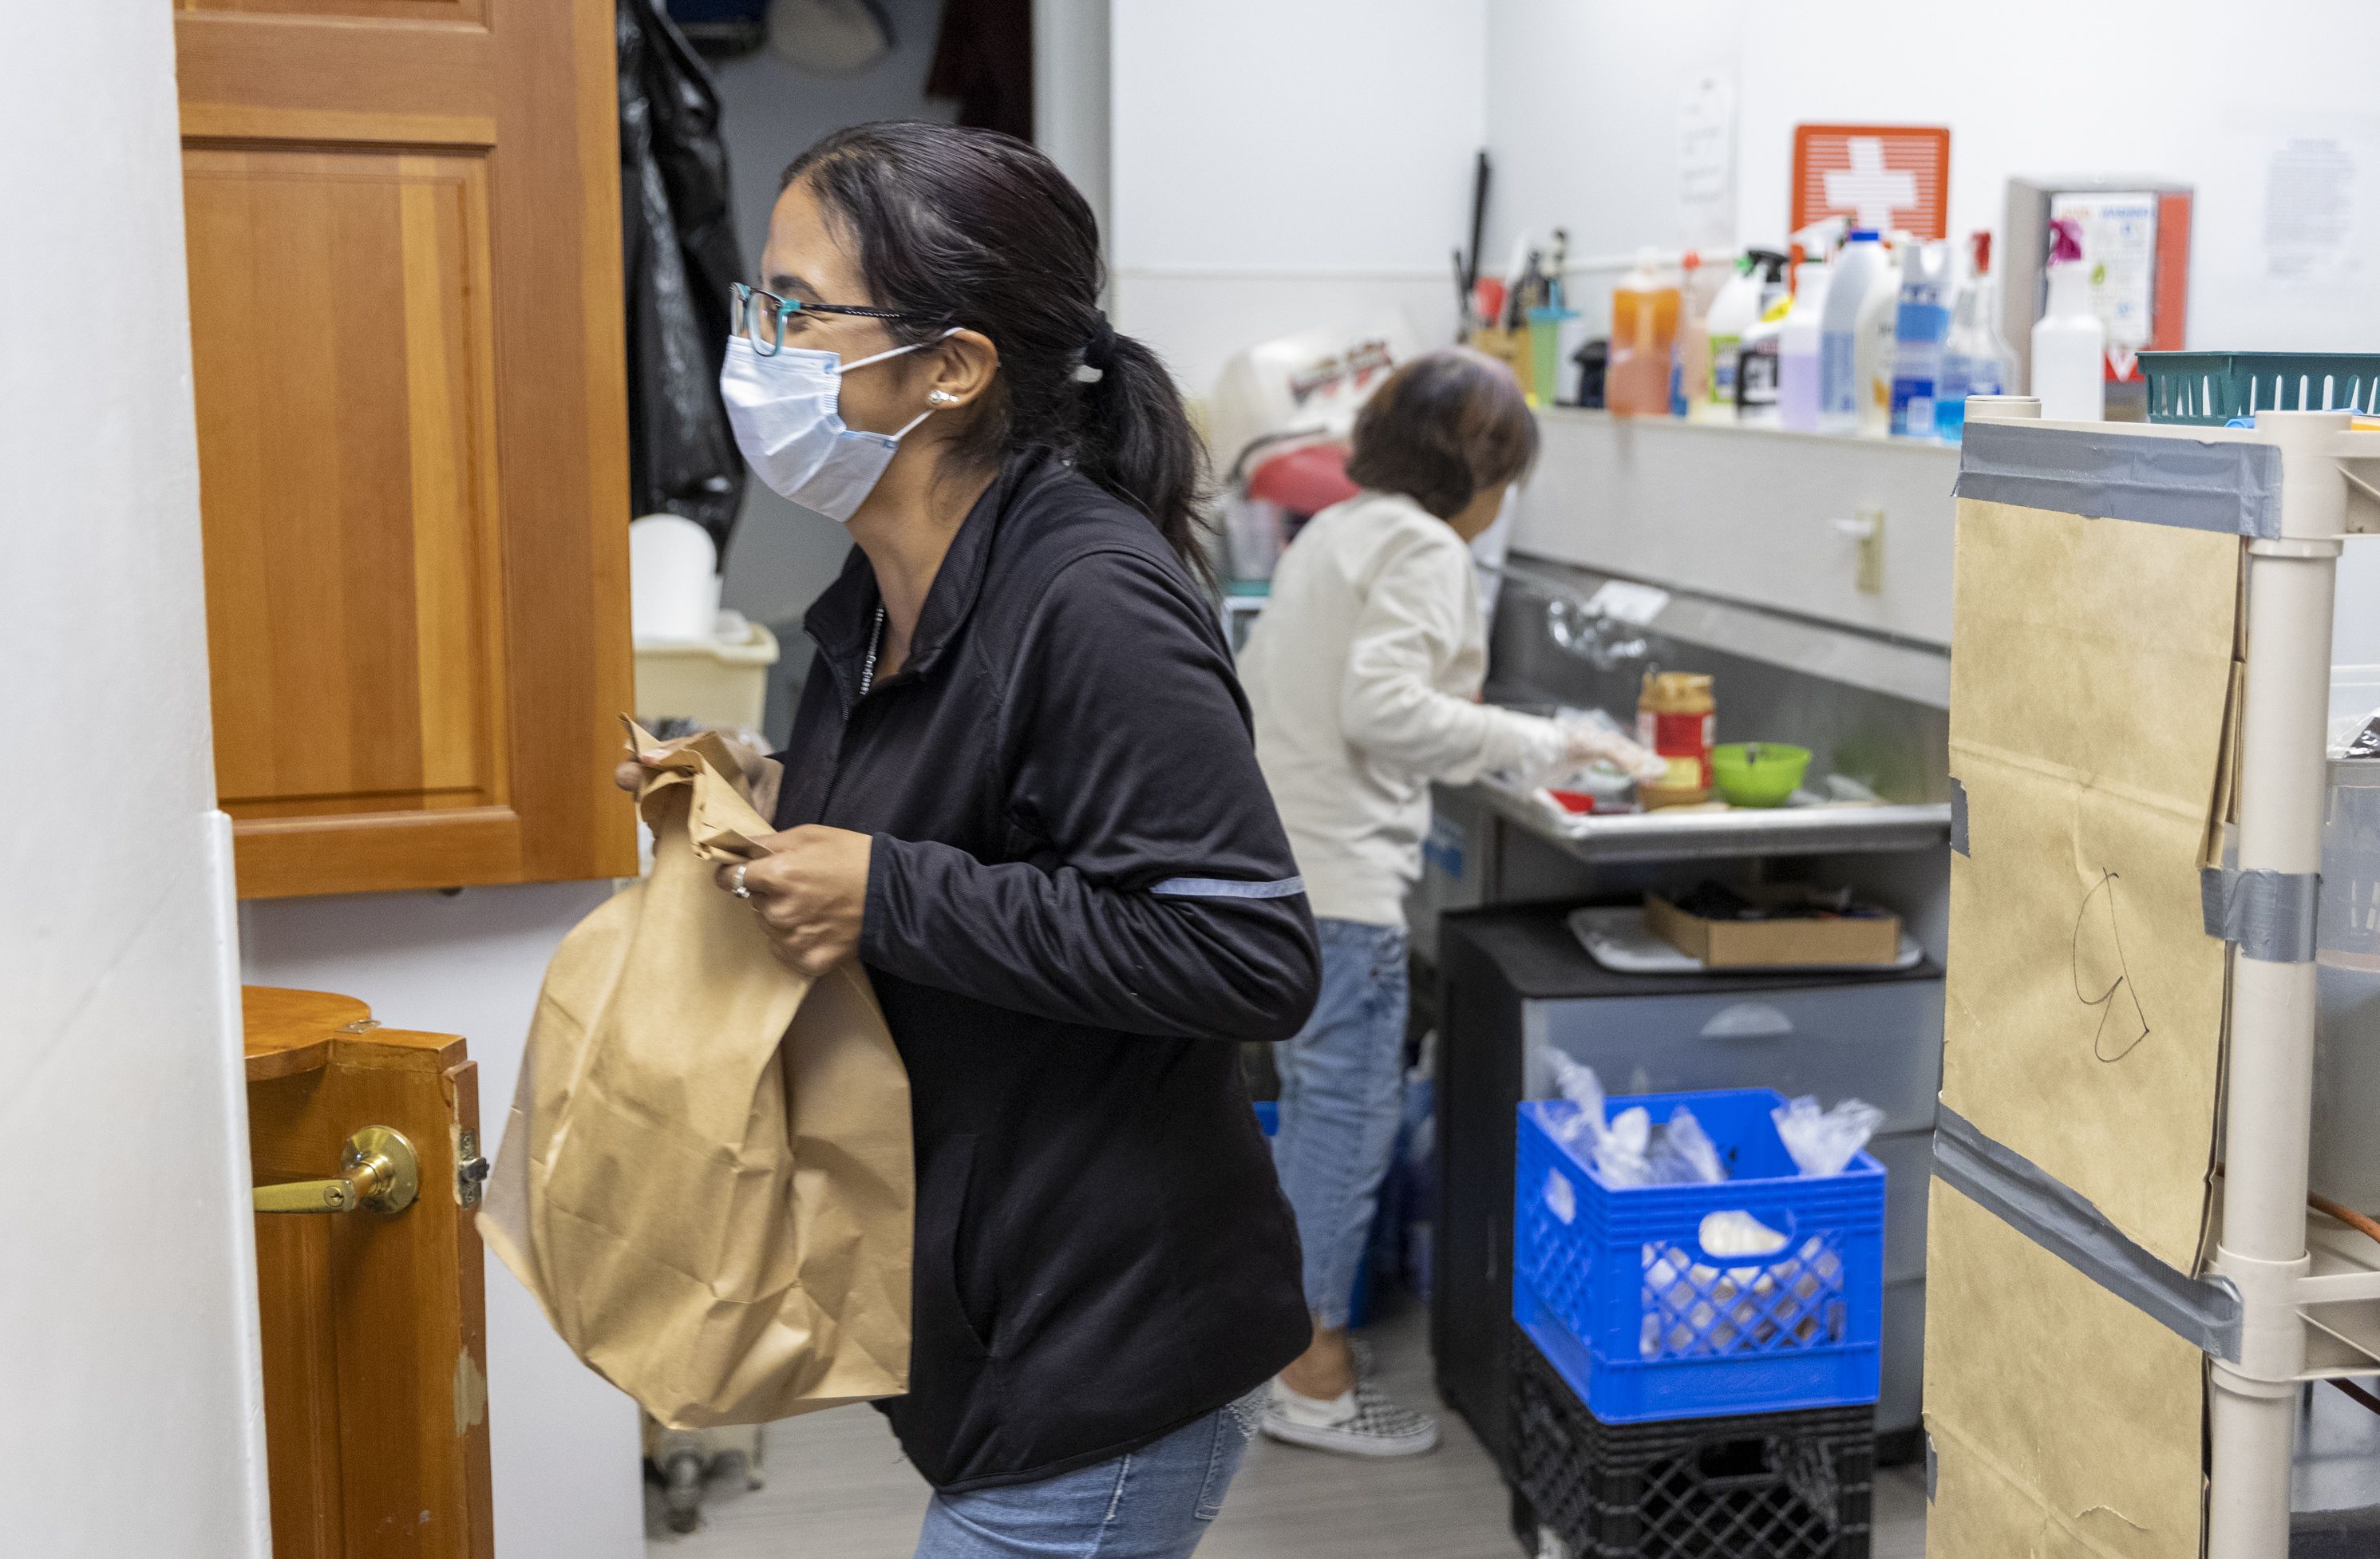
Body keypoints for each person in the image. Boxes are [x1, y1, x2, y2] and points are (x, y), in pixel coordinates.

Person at [627, 121, 1320, 1558]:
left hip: (1117, 1332)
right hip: (993, 1312)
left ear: (952, 368)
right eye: (757, 302)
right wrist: (751, 798)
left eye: (795, 310)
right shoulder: (880, 588)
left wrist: (886, 888)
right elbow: (964, 826)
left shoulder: (1092, 600)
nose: (754, 347)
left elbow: (1246, 948)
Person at [1236, 349, 1663, 1458]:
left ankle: (1286, 1340)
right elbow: (1386, 708)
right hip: (1340, 887)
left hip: (1279, 867)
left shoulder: (1341, 527)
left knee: (1319, 1111)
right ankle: (1312, 1375)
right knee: (1343, 1121)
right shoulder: (1426, 547)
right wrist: (1549, 741)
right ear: (1478, 473)